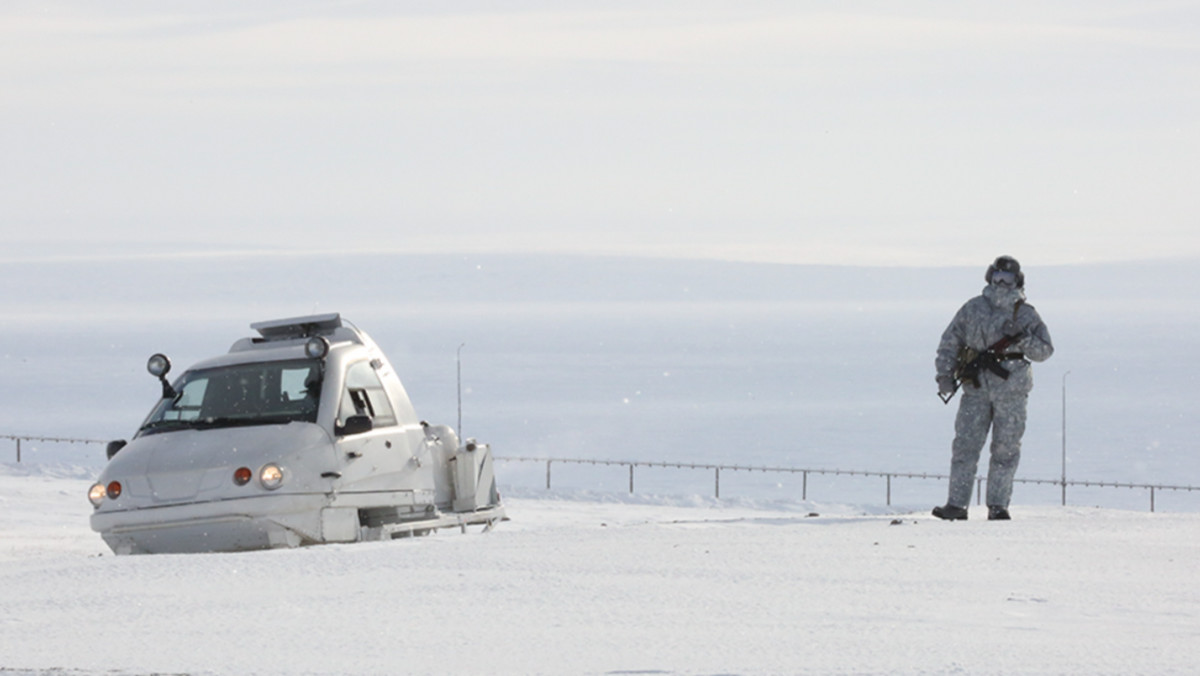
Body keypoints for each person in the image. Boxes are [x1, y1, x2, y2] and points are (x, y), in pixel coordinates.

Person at [932, 255, 1054, 520]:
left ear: (1017, 281)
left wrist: (1022, 337)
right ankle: (956, 505)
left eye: (1007, 278)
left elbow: (1044, 351)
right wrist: (944, 375)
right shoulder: (972, 309)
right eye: (997, 277)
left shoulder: (1026, 314)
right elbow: (949, 342)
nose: (1000, 283)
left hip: (1012, 392)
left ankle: (998, 506)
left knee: (1005, 449)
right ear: (989, 277)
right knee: (965, 447)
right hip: (975, 390)